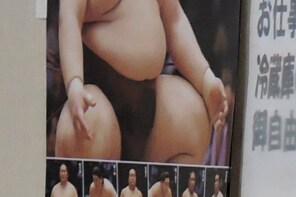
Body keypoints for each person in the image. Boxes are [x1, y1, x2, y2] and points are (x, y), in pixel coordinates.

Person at [51, 0, 232, 164]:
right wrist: (74, 83)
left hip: (150, 100)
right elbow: (69, 19)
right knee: (87, 125)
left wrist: (205, 78)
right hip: (97, 97)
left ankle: (165, 194)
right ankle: (97, 191)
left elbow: (175, 19)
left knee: (191, 111)